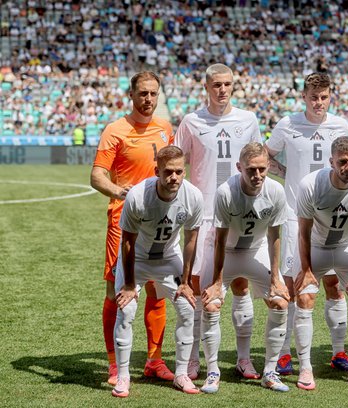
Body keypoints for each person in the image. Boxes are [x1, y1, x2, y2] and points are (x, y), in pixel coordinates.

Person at [174, 63, 263, 382]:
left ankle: (243, 359)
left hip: (241, 213)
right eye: (216, 85)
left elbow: (258, 162)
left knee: (240, 284)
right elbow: (176, 162)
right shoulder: (191, 121)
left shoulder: (248, 120)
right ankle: (194, 360)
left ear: (233, 86)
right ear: (206, 87)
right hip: (204, 215)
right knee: (198, 288)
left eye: (227, 84)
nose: (222, 90)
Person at [265, 72, 348, 375]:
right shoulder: (287, 124)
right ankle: (285, 354)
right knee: (292, 284)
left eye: (324, 97)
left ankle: (339, 351)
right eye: (313, 97)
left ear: (330, 97)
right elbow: (266, 154)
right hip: (294, 216)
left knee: (333, 285)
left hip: (332, 217)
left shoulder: (341, 125)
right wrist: (284, 173)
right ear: (304, 96)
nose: (319, 102)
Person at [91, 71, 175, 386]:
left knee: (157, 289)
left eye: (153, 93)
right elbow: (97, 175)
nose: (148, 99)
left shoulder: (166, 128)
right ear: (132, 95)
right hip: (122, 221)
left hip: (159, 222)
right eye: (142, 93)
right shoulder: (115, 130)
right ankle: (114, 365)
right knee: (116, 290)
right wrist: (119, 192)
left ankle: (154, 360)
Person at [111, 146, 204, 397]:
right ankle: (123, 376)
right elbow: (127, 241)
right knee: (126, 308)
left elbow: (191, 240)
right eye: (168, 172)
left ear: (184, 172)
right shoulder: (139, 196)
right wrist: (130, 285)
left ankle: (182, 373)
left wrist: (185, 282)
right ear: (157, 172)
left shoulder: (193, 196)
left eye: (178, 172)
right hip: (138, 258)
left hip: (168, 257)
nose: (173, 177)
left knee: (187, 308)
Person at [200, 143, 290, 393]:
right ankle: (212, 371)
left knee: (280, 301)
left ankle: (269, 372)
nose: (257, 175)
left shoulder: (275, 191)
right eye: (251, 169)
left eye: (262, 168)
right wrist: (217, 281)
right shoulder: (225, 192)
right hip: (225, 251)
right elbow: (219, 239)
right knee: (210, 304)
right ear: (239, 167)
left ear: (269, 166)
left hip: (255, 250)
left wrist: (276, 279)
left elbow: (275, 236)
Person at [293, 136, 348, 390]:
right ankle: (306, 368)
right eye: (342, 162)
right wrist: (307, 269)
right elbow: (302, 231)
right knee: (306, 298)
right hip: (316, 248)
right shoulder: (311, 185)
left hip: (344, 248)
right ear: (331, 161)